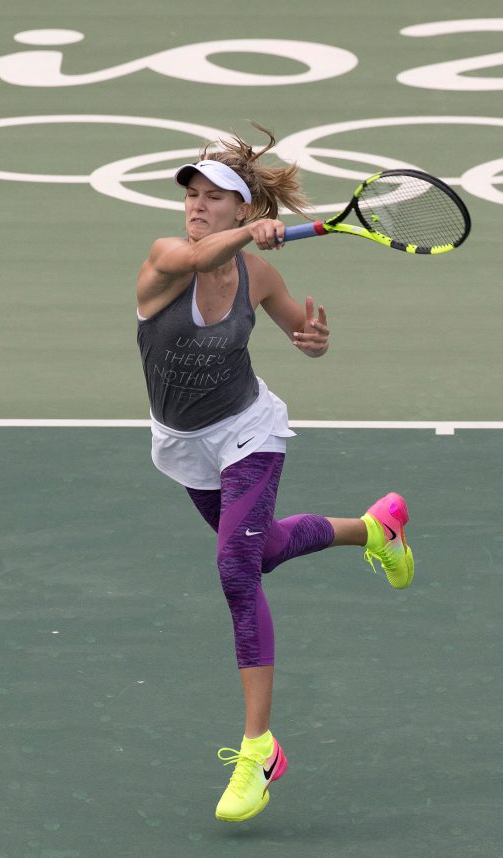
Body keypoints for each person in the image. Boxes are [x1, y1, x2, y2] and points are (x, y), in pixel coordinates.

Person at [135, 124, 415, 823]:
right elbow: (197, 254)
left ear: (244, 207)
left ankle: (258, 749)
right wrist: (249, 235)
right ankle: (374, 529)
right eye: (191, 195)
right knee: (259, 552)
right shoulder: (166, 259)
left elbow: (300, 334)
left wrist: (311, 341)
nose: (197, 206)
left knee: (236, 569)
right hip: (185, 444)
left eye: (213, 197)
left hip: (249, 431)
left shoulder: (259, 275)